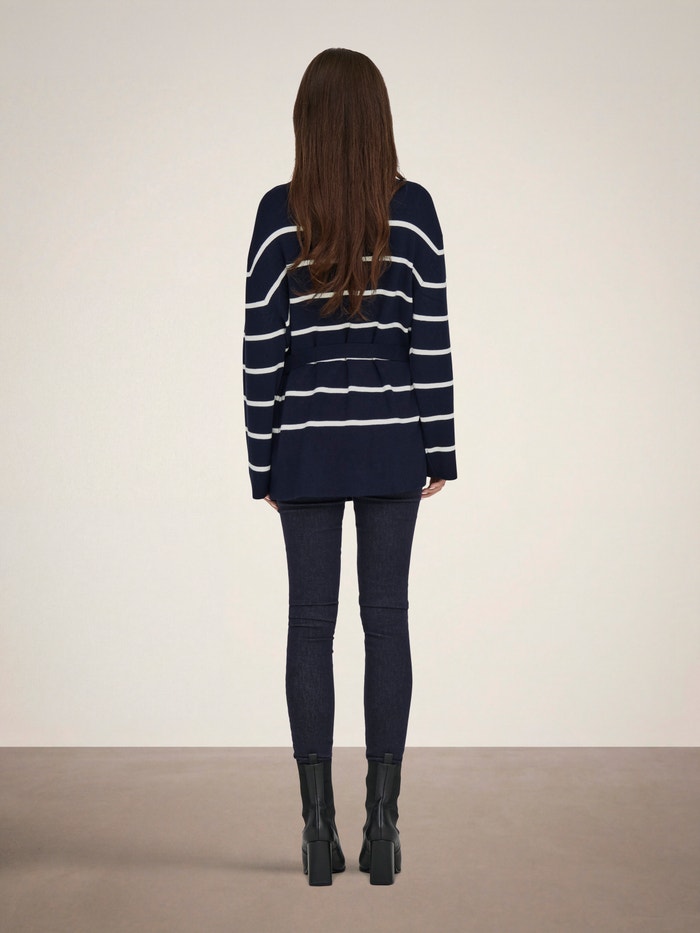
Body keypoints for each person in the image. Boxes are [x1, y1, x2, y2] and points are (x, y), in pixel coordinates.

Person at [242, 48, 457, 886]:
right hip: (393, 440)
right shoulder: (415, 211)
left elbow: (262, 348)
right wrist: (440, 447)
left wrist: (262, 458)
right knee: (387, 622)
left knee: (310, 626)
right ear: (379, 119)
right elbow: (429, 337)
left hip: (305, 443)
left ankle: (316, 834)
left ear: (307, 121)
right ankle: (384, 830)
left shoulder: (278, 214)